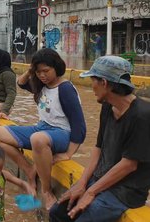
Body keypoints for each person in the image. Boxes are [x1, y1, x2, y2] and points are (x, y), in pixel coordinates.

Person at [49, 56, 150, 222]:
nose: (92, 87)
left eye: (92, 81)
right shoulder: (107, 106)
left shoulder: (142, 116)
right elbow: (98, 147)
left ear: (103, 82)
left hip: (125, 191)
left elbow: (129, 165)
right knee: (57, 212)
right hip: (100, 179)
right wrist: (82, 183)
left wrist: (90, 192)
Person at [0, 48, 86, 210]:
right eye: (39, 72)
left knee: (37, 139)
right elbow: (20, 82)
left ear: (57, 68)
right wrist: (31, 70)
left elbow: (79, 125)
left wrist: (69, 153)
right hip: (41, 128)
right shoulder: (41, 85)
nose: (42, 75)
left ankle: (46, 191)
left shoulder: (65, 89)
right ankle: (29, 170)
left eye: (46, 71)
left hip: (61, 133)